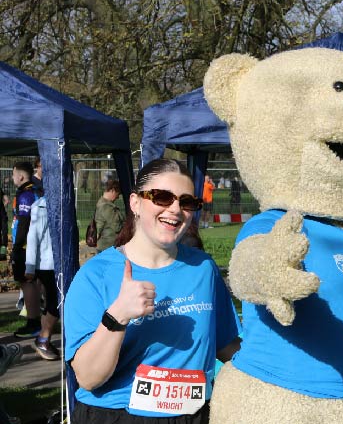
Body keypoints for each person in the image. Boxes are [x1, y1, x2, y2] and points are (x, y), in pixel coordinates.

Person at [64, 159, 241, 423]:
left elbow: (227, 346)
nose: (175, 209)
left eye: (186, 202)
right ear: (135, 203)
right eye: (162, 197)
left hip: (193, 415)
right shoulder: (96, 275)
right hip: (118, 415)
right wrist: (117, 316)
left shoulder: (203, 268)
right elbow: (88, 378)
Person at [25, 188, 61, 360]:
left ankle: (44, 338)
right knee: (56, 302)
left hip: (55, 263)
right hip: (47, 265)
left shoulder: (57, 203)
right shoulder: (41, 206)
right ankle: (42, 339)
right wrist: (30, 267)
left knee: (54, 302)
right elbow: (33, 237)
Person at [10, 161, 41, 338]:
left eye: (14, 174)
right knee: (31, 282)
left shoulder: (26, 195)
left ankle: (33, 322)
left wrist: (17, 245)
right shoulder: (31, 191)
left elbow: (24, 222)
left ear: (20, 176)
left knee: (26, 282)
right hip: (30, 245)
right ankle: (34, 320)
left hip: (24, 246)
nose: (13, 177)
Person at [95, 179, 125, 251]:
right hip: (108, 247)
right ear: (112, 190)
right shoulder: (106, 207)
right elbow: (117, 227)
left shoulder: (101, 202)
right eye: (118, 193)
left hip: (104, 246)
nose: (118, 197)